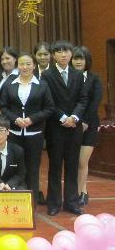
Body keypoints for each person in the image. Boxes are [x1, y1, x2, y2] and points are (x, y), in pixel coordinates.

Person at [41, 40, 88, 216]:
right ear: (54, 55)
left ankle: (71, 202)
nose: (63, 55)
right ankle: (54, 203)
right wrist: (63, 117)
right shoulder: (47, 75)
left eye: (66, 51)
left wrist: (74, 117)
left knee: (72, 165)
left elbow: (83, 100)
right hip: (55, 127)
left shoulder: (78, 74)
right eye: (59, 52)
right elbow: (48, 101)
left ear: (71, 54)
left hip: (74, 127)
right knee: (55, 166)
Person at [0, 53, 54, 203]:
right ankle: (14, 200)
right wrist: (15, 118)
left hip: (34, 134)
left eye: (28, 64)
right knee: (14, 167)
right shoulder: (10, 84)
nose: (25, 67)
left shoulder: (42, 85)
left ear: (34, 66)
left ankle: (32, 202)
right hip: (14, 133)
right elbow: (3, 107)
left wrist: (32, 119)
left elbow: (49, 108)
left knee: (33, 168)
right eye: (22, 64)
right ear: (17, 66)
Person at [72, 46, 103, 207]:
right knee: (73, 161)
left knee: (82, 161)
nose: (78, 62)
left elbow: (95, 103)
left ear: (87, 61)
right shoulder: (68, 77)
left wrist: (84, 121)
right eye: (75, 58)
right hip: (71, 124)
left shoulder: (94, 78)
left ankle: (81, 192)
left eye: (81, 58)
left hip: (89, 124)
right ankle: (75, 192)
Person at [0, 47, 19, 115]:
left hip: (14, 117)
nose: (4, 61)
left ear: (15, 59)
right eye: (2, 59)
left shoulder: (20, 76)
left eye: (7, 58)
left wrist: (3, 111)